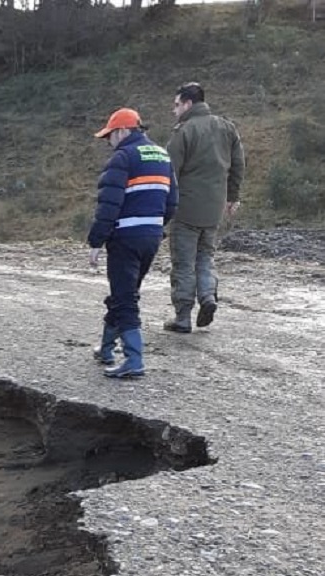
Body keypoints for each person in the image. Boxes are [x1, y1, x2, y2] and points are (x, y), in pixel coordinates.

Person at [87, 108, 177, 379]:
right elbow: (172, 201)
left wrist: (96, 241)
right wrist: (155, 226)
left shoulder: (123, 157)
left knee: (125, 298)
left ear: (123, 131)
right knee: (124, 292)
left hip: (125, 237)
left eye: (109, 136)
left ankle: (134, 360)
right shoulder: (162, 155)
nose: (108, 142)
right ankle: (105, 348)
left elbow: (109, 204)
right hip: (151, 236)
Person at [164, 82, 245, 332]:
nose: (174, 110)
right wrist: (232, 197)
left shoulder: (184, 131)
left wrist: (163, 208)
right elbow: (239, 164)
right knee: (205, 257)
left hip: (186, 209)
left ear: (188, 104)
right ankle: (208, 296)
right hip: (214, 208)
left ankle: (183, 317)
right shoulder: (227, 127)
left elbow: (169, 172)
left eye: (177, 105)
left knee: (184, 262)